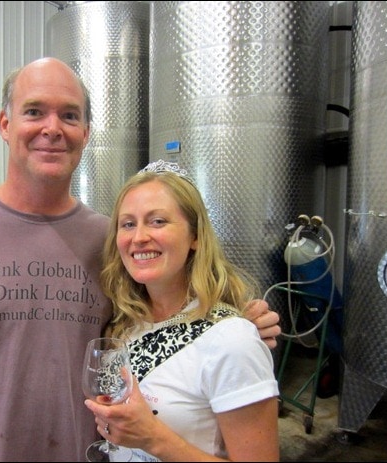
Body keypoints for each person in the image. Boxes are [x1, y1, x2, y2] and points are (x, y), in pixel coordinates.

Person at [0, 58, 280, 462]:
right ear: (5, 124)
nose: (52, 128)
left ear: (85, 133)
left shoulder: (110, 243)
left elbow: (166, 311)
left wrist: (234, 322)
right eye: (34, 111)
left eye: (69, 115)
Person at [84, 160, 280, 462]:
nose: (139, 237)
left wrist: (153, 438)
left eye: (158, 221)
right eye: (128, 224)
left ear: (195, 236)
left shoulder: (232, 340)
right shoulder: (125, 321)